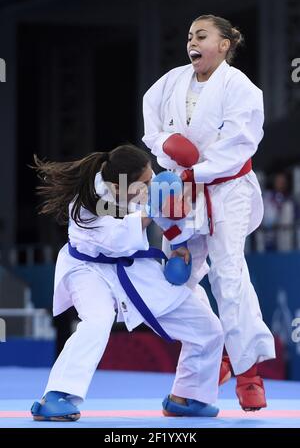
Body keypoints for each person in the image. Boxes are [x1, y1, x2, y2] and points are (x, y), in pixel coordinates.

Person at [30, 145, 224, 421]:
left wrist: (179, 244)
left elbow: (166, 217)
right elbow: (117, 239)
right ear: (117, 185)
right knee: (97, 322)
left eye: (151, 176)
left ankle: (187, 396)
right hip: (89, 270)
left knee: (208, 328)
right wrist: (154, 205)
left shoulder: (138, 188)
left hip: (136, 269)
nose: (151, 182)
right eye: (144, 181)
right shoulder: (87, 201)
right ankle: (56, 395)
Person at [142, 14, 276, 411]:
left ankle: (248, 370)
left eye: (201, 36)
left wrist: (190, 169)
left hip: (228, 188)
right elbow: (151, 127)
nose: (191, 42)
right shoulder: (170, 82)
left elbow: (240, 145)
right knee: (177, 282)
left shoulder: (242, 89)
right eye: (188, 36)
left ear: (224, 44)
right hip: (181, 191)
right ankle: (205, 369)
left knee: (229, 276)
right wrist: (168, 143)